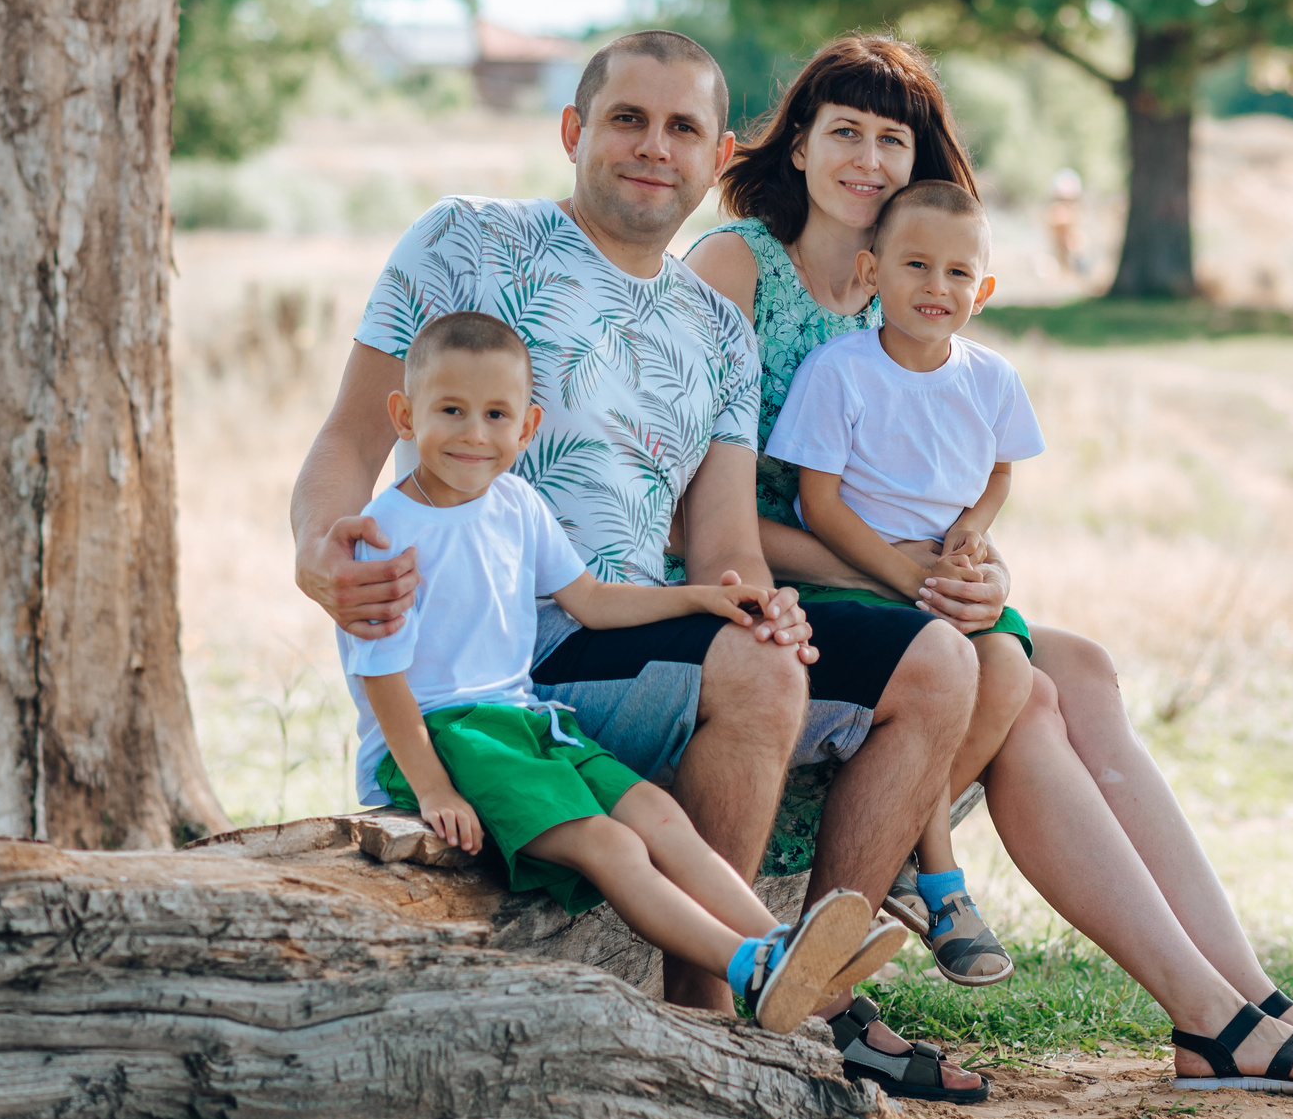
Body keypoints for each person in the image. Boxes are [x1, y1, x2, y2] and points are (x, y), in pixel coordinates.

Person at [685, 33, 1293, 1095]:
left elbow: (940, 489)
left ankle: (1243, 990)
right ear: (796, 144)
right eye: (844, 131)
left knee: (1085, 669)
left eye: (896, 139)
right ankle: (1204, 1015)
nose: (869, 159)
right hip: (756, 590)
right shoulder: (739, 262)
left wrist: (973, 565)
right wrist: (912, 579)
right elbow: (718, 506)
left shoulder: (899, 296)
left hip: (880, 587)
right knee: (1018, 688)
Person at [292, 29, 986, 1100]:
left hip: (628, 622)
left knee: (935, 660)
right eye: (627, 118)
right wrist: (317, 551)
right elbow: (348, 436)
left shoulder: (715, 326)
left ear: (715, 158)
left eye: (682, 127)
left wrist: (763, 601)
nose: (652, 146)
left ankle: (820, 976)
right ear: (574, 131)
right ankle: (710, 1022)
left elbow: (722, 544)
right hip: (497, 662)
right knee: (755, 672)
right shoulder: (469, 241)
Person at [337, 309, 897, 1034]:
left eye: (496, 413)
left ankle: (794, 953)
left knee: (660, 817)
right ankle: (751, 967)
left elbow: (592, 601)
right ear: (403, 415)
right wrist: (434, 784)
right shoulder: (388, 533)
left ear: (527, 427)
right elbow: (382, 674)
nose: (475, 433)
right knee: (613, 844)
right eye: (451, 410)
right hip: (443, 738)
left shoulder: (517, 504)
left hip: (526, 720)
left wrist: (701, 597)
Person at [766, 180, 1042, 989]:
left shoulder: (990, 378)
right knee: (944, 667)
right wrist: (903, 578)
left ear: (982, 291)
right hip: (857, 577)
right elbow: (817, 503)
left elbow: (998, 470)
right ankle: (943, 880)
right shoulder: (839, 371)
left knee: (1012, 668)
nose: (937, 287)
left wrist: (972, 529)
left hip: (938, 573)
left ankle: (895, 855)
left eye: (959, 273)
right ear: (872, 269)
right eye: (916, 264)